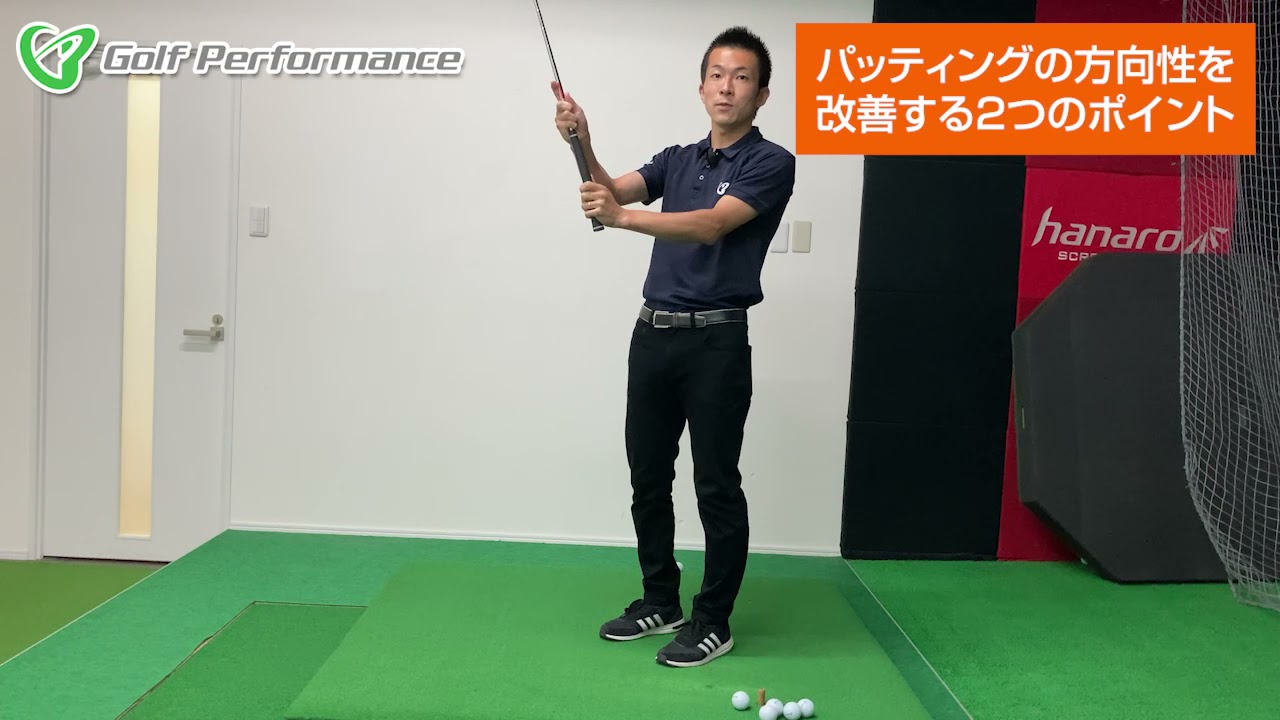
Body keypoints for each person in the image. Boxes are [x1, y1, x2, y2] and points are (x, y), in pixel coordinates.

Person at [552, 26, 795, 668]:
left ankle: (713, 620)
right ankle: (661, 599)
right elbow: (614, 188)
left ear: (761, 95)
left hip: (717, 341)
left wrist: (620, 218)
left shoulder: (771, 162)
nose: (726, 87)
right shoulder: (678, 159)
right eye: (717, 74)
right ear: (701, 87)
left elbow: (711, 225)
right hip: (651, 337)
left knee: (715, 485)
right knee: (647, 476)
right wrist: (582, 140)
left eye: (741, 77)